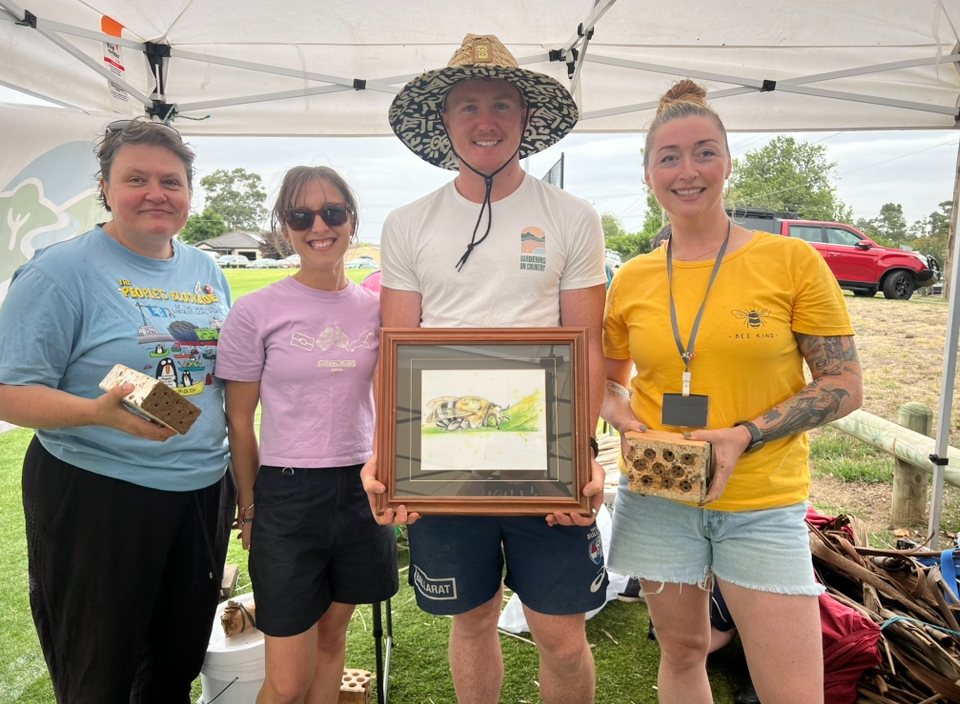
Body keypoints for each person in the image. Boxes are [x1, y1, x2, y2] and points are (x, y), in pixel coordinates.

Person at [363, 34, 609, 704]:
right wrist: (389, 456)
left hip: (548, 460)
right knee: (471, 620)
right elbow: (397, 345)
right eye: (467, 105)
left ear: (526, 119)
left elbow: (587, 345)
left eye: (502, 103)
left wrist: (583, 454)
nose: (486, 120)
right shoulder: (409, 223)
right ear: (444, 122)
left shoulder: (573, 217)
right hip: (445, 463)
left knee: (559, 638)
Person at [601, 80, 863, 704]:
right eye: (668, 156)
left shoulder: (791, 260)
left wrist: (745, 434)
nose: (687, 170)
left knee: (793, 689)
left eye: (704, 151)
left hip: (761, 502)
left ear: (727, 162)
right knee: (683, 653)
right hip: (659, 493)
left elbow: (843, 385)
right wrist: (628, 424)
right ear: (647, 174)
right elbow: (608, 381)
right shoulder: (632, 277)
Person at [0, 117, 235, 703]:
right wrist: (95, 413)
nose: (157, 193)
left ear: (188, 192)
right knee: (99, 668)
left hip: (200, 492)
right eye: (137, 178)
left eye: (172, 181)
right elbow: (8, 389)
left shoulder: (205, 270)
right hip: (99, 493)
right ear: (105, 187)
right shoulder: (61, 271)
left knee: (176, 659)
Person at [216, 166, 398, 704]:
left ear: (352, 222)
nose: (318, 225)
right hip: (287, 494)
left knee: (331, 639)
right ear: (285, 227)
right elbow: (239, 421)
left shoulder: (380, 310)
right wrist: (249, 505)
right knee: (288, 678)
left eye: (332, 213)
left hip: (363, 487)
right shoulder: (255, 311)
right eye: (301, 215)